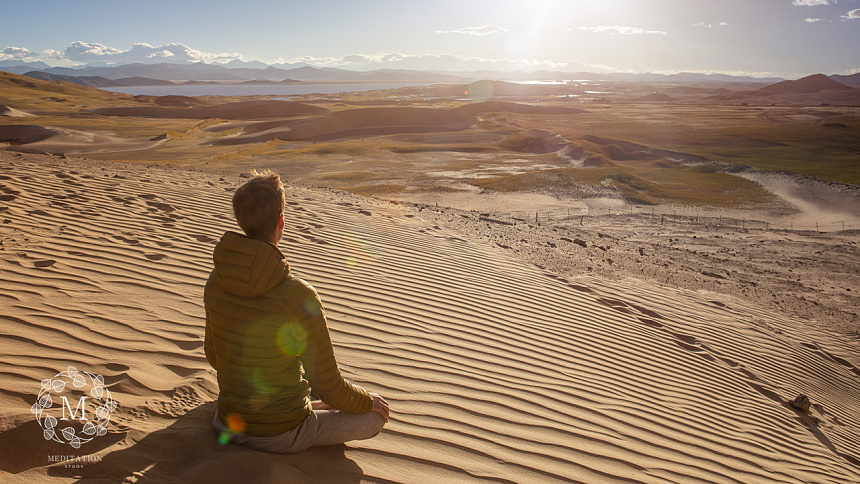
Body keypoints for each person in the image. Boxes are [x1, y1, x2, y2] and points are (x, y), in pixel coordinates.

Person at [203, 169, 388, 453]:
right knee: (374, 416)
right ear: (281, 223)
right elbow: (329, 386)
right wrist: (367, 401)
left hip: (226, 422)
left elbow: (215, 357)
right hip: (283, 432)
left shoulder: (216, 281)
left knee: (303, 384)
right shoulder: (298, 295)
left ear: (240, 221)